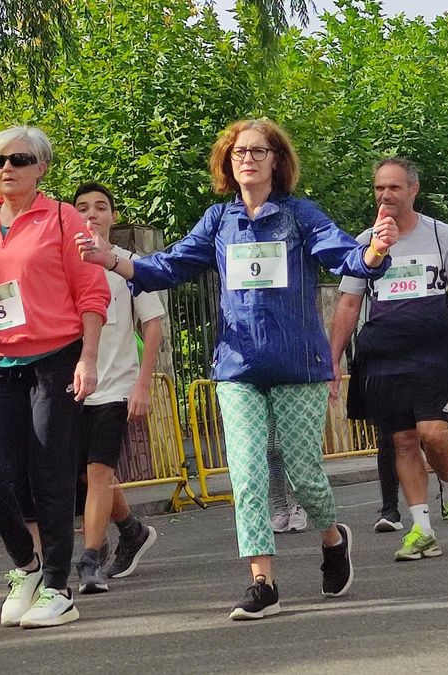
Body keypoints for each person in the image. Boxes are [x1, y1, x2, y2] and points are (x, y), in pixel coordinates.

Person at [77, 118, 396, 620]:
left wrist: (376, 248)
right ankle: (262, 582)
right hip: (237, 368)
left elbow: (347, 257)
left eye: (259, 151)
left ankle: (333, 539)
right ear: (228, 163)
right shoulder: (218, 221)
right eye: (239, 152)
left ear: (276, 161)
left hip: (298, 364)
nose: (248, 158)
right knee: (247, 475)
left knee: (305, 474)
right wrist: (111, 258)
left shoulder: (299, 217)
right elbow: (169, 265)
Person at [0, 126, 110, 629]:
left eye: (19, 160)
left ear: (41, 167)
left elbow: (92, 294)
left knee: (50, 473)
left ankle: (60, 588)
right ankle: (27, 565)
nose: (7, 169)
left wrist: (88, 357)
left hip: (54, 358)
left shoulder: (63, 219)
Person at [331, 156, 448, 563]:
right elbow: (349, 303)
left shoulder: (441, 235)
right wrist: (331, 360)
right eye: (379, 188)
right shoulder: (365, 242)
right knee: (401, 440)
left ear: (413, 190)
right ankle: (421, 529)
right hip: (384, 352)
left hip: (432, 348)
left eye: (394, 188)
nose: (385, 195)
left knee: (433, 433)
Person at [69, 182, 162, 593]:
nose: (92, 214)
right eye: (83, 207)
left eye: (101, 207)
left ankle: (90, 558)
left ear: (113, 216)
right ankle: (132, 530)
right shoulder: (63, 263)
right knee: (89, 477)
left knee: (98, 470)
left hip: (116, 383)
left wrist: (142, 384)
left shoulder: (129, 264)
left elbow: (153, 325)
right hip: (73, 384)